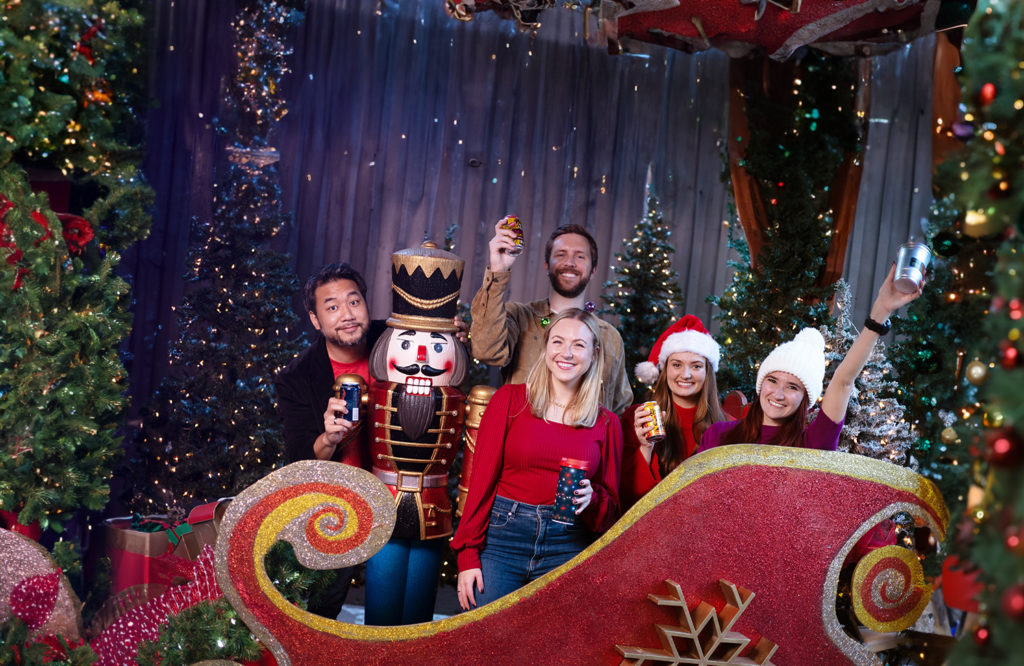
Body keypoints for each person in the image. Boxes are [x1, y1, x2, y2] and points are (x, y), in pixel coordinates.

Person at [452, 308, 623, 611]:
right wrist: (467, 555)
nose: (566, 353)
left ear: (594, 354)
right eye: (557, 342)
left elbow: (610, 514)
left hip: (568, 544)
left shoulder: (606, 423)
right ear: (546, 347)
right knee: (483, 642)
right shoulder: (510, 401)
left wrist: (592, 499)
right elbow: (480, 484)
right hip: (502, 540)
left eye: (579, 345)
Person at [698, 264, 922, 452]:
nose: (778, 394)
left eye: (793, 387)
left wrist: (881, 311)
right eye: (772, 380)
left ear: (806, 398)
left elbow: (843, 380)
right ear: (761, 383)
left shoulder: (813, 444)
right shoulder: (719, 436)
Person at [363, 242, 471, 626]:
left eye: (435, 345)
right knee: (381, 609)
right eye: (407, 343)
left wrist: (465, 505)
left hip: (434, 505)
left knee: (418, 618)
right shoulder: (369, 393)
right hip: (383, 497)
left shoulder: (464, 402)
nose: (421, 358)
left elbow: (472, 455)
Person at [274, 262, 385, 619]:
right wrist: (328, 437)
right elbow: (300, 459)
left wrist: (456, 334)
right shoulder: (297, 378)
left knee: (396, 623)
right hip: (334, 504)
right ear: (316, 319)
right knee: (319, 613)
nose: (347, 315)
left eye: (354, 302)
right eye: (332, 307)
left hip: (396, 495)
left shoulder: (395, 338)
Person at [470, 221, 633, 414]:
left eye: (580, 256)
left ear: (593, 270)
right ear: (547, 265)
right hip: (523, 441)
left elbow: (620, 409)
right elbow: (486, 351)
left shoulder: (609, 337)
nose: (570, 263)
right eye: (561, 254)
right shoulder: (520, 317)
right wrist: (499, 269)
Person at [620, 315, 727, 509]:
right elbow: (626, 501)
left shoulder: (727, 428)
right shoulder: (636, 418)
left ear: (708, 372)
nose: (685, 375)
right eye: (677, 364)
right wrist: (645, 448)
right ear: (665, 369)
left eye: (696, 366)